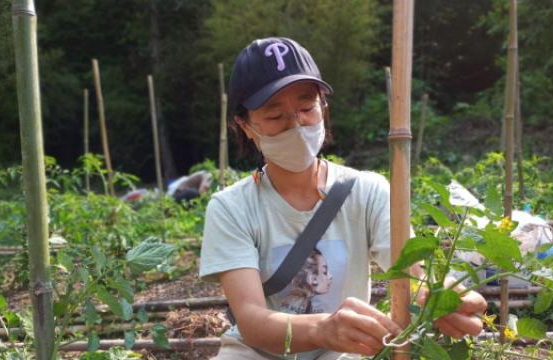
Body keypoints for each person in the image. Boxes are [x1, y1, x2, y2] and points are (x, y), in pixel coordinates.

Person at [199, 37, 487, 360]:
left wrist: (439, 296)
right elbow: (251, 319)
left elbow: (413, 276)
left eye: (307, 108)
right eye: (275, 116)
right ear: (246, 125)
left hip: (344, 354)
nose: (296, 125)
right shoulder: (231, 208)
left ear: (323, 106)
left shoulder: (367, 192)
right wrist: (323, 329)